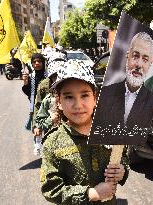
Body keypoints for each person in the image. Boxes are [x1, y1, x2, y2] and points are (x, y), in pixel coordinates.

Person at [40, 60, 129, 204]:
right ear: (59, 102)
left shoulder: (109, 132)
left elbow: (123, 159)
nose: (78, 105)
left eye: (85, 95)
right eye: (69, 97)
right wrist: (90, 194)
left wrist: (122, 171)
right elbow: (51, 189)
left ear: (95, 98)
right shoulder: (52, 143)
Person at [91, 32, 153, 144]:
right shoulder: (106, 94)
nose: (139, 64)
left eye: (145, 59)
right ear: (127, 55)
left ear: (150, 64)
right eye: (135, 56)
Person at [32, 52, 67, 156]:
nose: (58, 79)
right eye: (55, 76)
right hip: (51, 126)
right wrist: (36, 126)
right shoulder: (44, 86)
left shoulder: (72, 84)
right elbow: (38, 106)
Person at [22, 53, 46, 131]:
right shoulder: (31, 76)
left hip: (47, 107)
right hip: (36, 107)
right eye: (34, 61)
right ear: (32, 64)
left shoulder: (48, 76)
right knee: (37, 131)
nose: (37, 63)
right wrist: (25, 82)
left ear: (43, 62)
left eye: (39, 61)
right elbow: (28, 92)